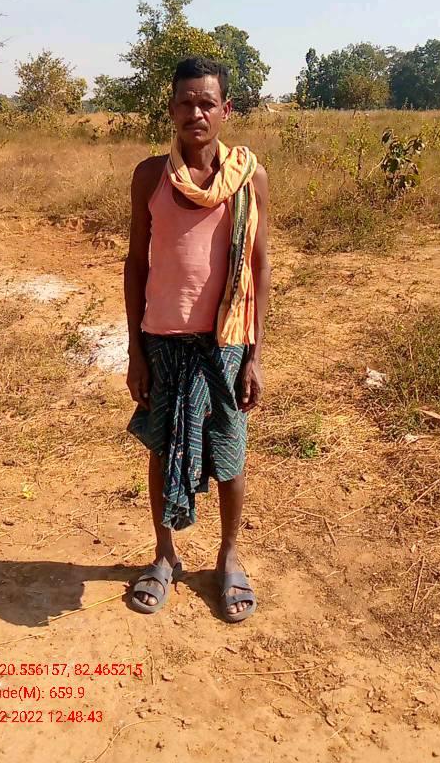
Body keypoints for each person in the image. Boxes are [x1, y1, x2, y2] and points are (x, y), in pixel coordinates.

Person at [124, 55, 270, 623]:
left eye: (207, 102)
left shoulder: (249, 178)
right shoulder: (149, 176)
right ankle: (165, 555)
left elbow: (259, 266)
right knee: (162, 448)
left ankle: (228, 556)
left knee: (230, 452)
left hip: (225, 343)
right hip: (163, 338)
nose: (196, 113)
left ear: (225, 109)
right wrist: (135, 350)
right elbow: (136, 264)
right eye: (185, 102)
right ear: (171, 109)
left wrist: (254, 354)